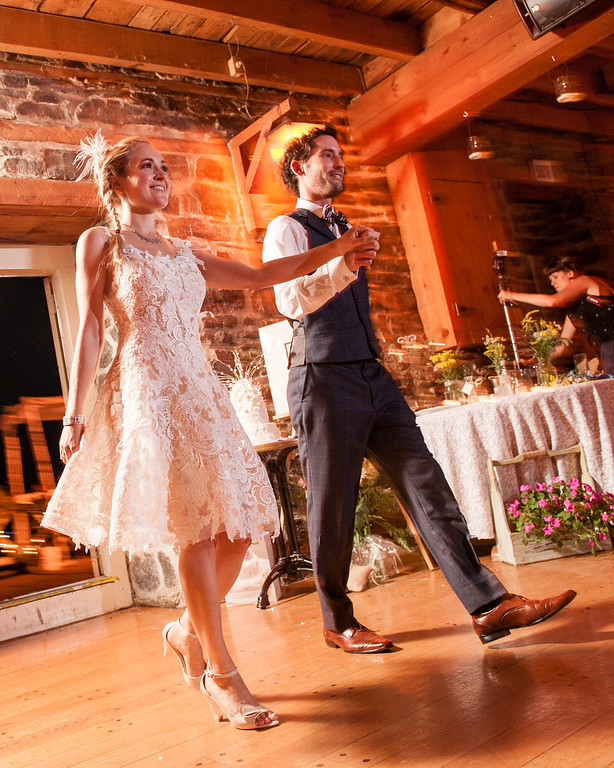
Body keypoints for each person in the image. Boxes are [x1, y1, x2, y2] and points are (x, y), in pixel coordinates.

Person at [41, 132, 379, 729]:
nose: (161, 174)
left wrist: (339, 251)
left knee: (243, 525)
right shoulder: (101, 243)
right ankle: (220, 672)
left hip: (199, 392)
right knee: (195, 531)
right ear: (117, 181)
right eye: (147, 166)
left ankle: (183, 629)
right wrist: (76, 412)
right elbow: (92, 328)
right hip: (148, 395)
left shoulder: (184, 252)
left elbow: (262, 275)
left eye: (164, 166)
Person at [262, 124, 576, 654]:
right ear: (299, 166)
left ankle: (488, 606)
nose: (338, 164)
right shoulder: (285, 228)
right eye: (327, 156)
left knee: (426, 483)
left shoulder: (343, 225)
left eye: (340, 156)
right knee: (333, 504)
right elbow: (288, 303)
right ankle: (337, 622)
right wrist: (342, 266)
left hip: (370, 372)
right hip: (321, 376)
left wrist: (348, 260)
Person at [498, 256, 614, 374]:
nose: (553, 283)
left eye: (555, 277)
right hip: (606, 354)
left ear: (570, 273)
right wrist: (534, 361)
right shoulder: (574, 310)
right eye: (550, 280)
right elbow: (561, 347)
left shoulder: (584, 280)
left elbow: (553, 301)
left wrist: (511, 295)